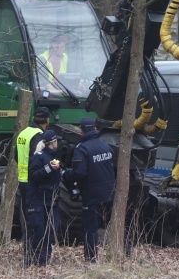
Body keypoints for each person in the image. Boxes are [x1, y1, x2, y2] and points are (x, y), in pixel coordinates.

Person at [62, 117, 115, 262]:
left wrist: (65, 174)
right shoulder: (105, 145)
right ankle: (124, 253)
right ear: (95, 129)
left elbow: (79, 172)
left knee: (90, 228)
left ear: (81, 131)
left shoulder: (82, 148)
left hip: (91, 195)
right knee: (114, 224)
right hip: (109, 192)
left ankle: (91, 258)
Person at [16, 107, 49, 265]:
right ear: (47, 120)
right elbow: (37, 159)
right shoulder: (39, 137)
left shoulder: (23, 133)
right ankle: (33, 258)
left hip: (22, 181)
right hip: (33, 183)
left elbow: (17, 156)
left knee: (28, 220)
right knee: (36, 222)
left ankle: (28, 256)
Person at [26, 130, 62, 266]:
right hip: (38, 200)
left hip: (52, 200)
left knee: (50, 232)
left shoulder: (55, 157)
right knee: (38, 231)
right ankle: (32, 261)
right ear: (51, 143)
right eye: (56, 141)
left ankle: (44, 261)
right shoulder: (39, 157)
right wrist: (48, 169)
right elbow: (34, 176)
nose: (57, 143)